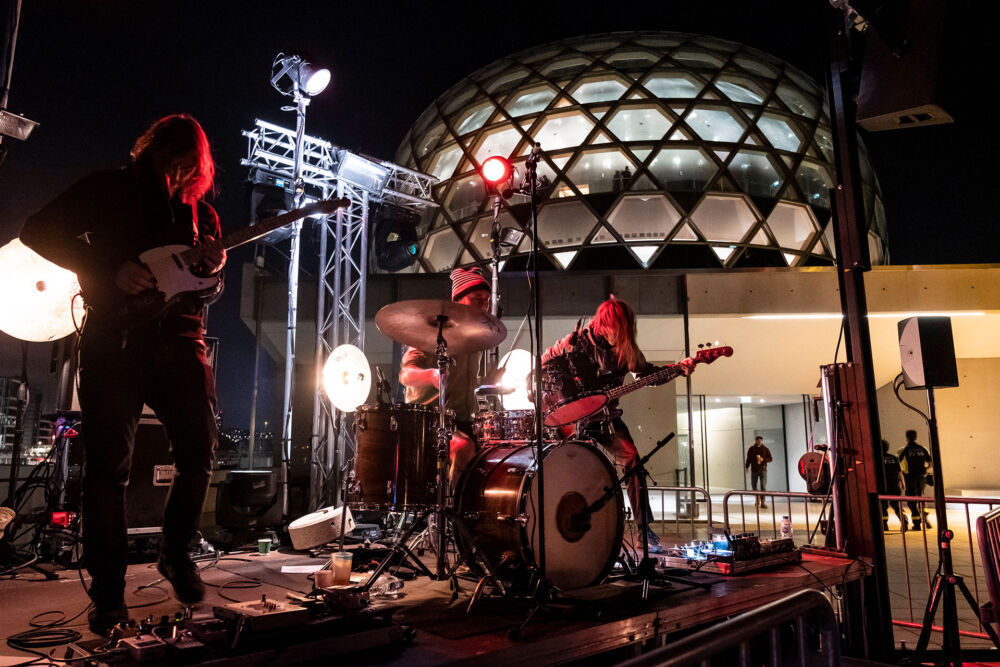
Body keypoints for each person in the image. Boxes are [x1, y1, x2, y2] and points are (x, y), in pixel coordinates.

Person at [20, 114, 225, 635]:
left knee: (200, 454)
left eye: (185, 168)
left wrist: (213, 269)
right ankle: (108, 594)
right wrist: (106, 266)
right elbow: (36, 230)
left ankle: (175, 553)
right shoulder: (107, 188)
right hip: (115, 342)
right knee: (108, 471)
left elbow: (205, 290)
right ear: (149, 153)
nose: (175, 177)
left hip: (181, 343)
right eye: (167, 163)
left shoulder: (203, 217)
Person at [542, 296, 689, 553]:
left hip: (607, 418)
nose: (617, 335)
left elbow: (648, 376)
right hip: (573, 421)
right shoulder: (576, 343)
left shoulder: (627, 349)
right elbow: (546, 365)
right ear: (602, 324)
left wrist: (677, 369)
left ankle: (643, 528)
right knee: (571, 471)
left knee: (632, 461)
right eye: (613, 329)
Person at [398, 267, 492, 485]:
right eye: (477, 298)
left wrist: (489, 381)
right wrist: (431, 375)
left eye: (486, 299)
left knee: (499, 450)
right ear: (458, 300)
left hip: (462, 422)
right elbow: (405, 374)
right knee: (464, 447)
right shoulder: (432, 333)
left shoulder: (474, 341)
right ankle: (451, 513)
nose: (484, 304)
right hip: (427, 422)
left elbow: (463, 386)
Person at [898, 429, 933, 530]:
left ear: (907, 438)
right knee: (921, 496)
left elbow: (898, 464)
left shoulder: (904, 450)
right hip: (922, 477)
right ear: (916, 437)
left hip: (910, 477)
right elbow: (931, 463)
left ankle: (917, 524)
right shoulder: (923, 448)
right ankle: (925, 517)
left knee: (912, 500)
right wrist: (925, 471)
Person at [881, 439, 905, 531]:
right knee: (896, 505)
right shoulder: (894, 458)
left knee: (883, 506)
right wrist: (903, 484)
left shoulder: (877, 458)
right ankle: (903, 520)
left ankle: (884, 525)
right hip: (894, 485)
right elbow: (900, 472)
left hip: (883, 485)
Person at [745, 436, 773, 509]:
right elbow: (749, 458)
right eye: (758, 440)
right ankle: (757, 498)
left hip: (763, 469)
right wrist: (747, 466)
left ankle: (763, 502)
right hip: (754, 469)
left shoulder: (765, 449)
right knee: (754, 485)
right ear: (755, 441)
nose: (759, 441)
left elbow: (770, 459)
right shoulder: (751, 449)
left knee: (763, 485)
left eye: (760, 440)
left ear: (762, 441)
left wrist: (763, 459)